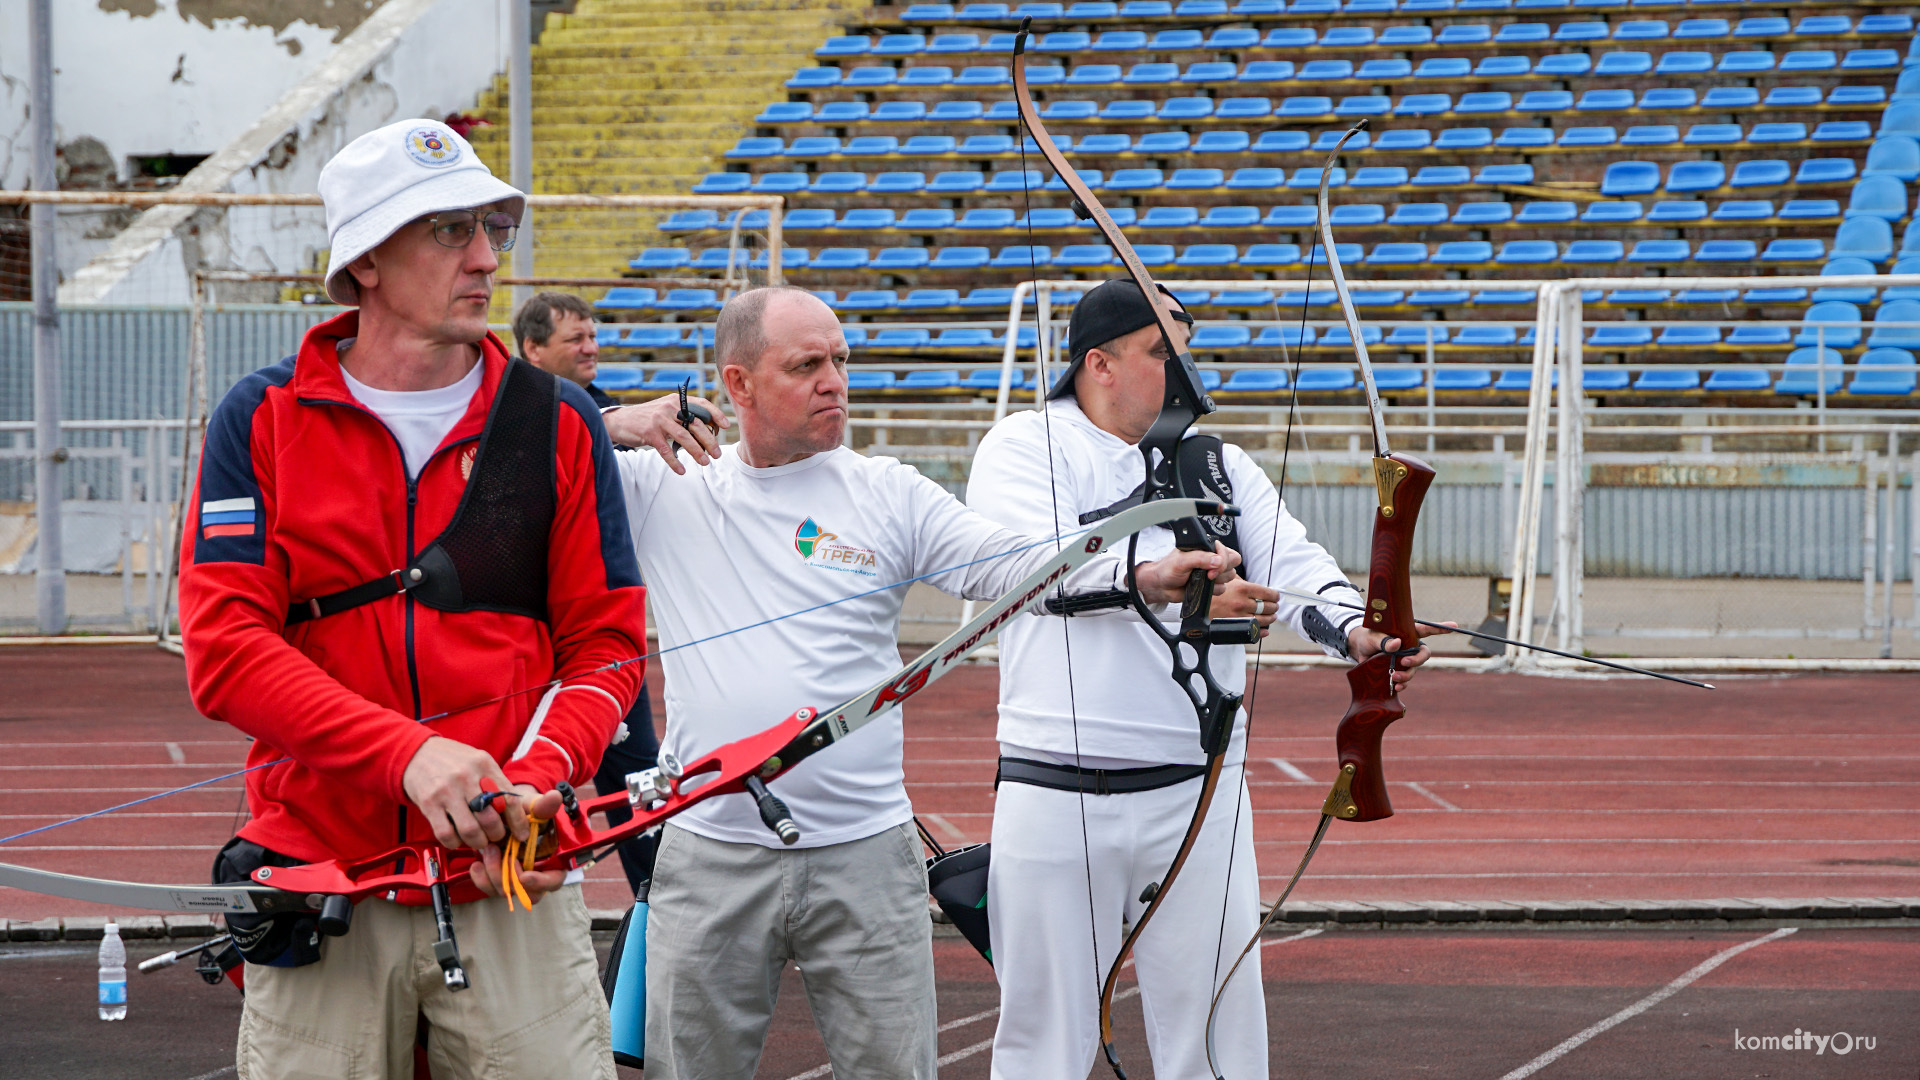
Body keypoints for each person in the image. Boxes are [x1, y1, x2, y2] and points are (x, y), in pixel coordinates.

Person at [599, 286, 1235, 1080]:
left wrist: (1143, 569)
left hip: (866, 856)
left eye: (840, 360)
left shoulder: (886, 490)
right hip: (712, 854)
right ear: (737, 384)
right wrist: (609, 422)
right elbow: (501, 458)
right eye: (806, 365)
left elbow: (1016, 566)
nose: (834, 380)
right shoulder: (660, 485)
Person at [178, 119, 645, 1080]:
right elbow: (225, 649)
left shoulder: (557, 422)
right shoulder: (261, 416)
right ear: (367, 263)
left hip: (507, 880)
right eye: (448, 231)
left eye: (491, 230)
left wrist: (539, 777)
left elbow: (607, 646)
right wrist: (411, 757)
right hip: (321, 879)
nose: (484, 258)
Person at [966, 278, 1443, 1079]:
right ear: (1100, 364)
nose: (1189, 376)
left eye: (1187, 354)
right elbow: (1030, 571)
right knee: (1043, 1043)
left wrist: (1361, 631)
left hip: (1198, 790)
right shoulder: (1024, 447)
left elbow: (1296, 569)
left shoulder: (1218, 464)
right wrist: (1159, 574)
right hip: (1055, 792)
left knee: (1218, 1036)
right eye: (1163, 355)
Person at [515, 289, 660, 894]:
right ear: (532, 349)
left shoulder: (598, 406)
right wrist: (613, 424)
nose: (591, 347)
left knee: (643, 788)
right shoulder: (499, 415)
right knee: (540, 792)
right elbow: (533, 443)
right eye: (575, 338)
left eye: (593, 335)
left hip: (602, 640)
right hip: (528, 648)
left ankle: (660, 905)